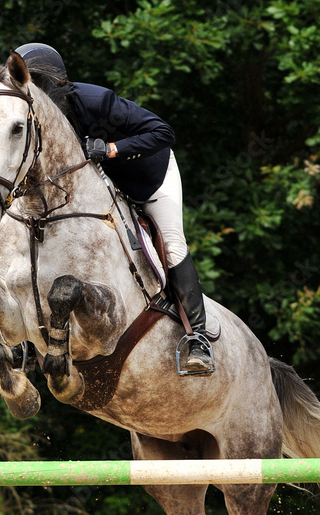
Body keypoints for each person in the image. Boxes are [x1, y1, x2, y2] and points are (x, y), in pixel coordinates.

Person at [15, 42, 215, 374]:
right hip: (102, 186)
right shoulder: (34, 116)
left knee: (172, 239)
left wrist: (110, 149)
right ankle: (27, 339)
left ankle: (198, 339)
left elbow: (163, 132)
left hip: (148, 177)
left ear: (51, 83)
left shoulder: (96, 101)